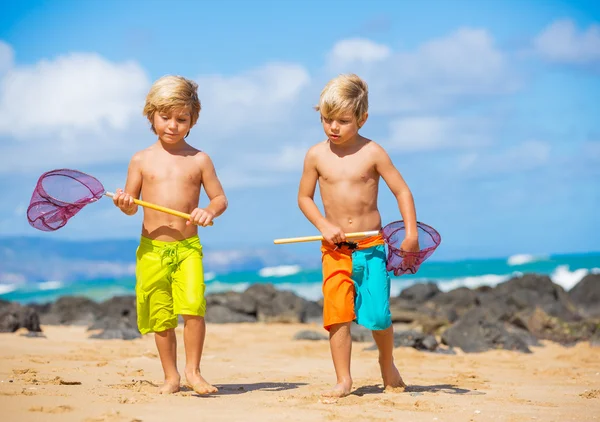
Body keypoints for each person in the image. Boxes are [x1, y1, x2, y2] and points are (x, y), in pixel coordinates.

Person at [297, 74, 419, 398]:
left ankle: (387, 363)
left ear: (362, 119)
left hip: (371, 246)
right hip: (334, 249)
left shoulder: (373, 153)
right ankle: (343, 379)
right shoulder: (315, 156)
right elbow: (304, 198)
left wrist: (410, 234)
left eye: (342, 121)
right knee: (337, 313)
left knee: (378, 315)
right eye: (326, 119)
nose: (333, 127)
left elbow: (402, 191)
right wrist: (323, 225)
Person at [112, 75, 227, 395]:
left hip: (188, 247)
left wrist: (209, 211)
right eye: (166, 117)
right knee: (160, 313)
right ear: (151, 115)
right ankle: (171, 376)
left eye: (182, 119)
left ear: (193, 120)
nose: (173, 125)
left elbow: (220, 198)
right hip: (151, 249)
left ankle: (194, 372)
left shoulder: (199, 159)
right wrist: (124, 204)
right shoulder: (141, 159)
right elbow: (132, 206)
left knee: (193, 307)